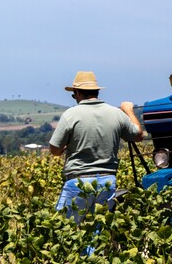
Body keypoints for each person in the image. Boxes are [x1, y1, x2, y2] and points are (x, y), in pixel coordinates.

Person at [49, 71, 144, 224]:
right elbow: (138, 135)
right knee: (99, 230)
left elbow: (54, 149)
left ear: (78, 93)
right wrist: (128, 110)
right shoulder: (116, 113)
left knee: (66, 229)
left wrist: (64, 148)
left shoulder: (70, 115)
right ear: (97, 92)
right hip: (107, 180)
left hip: (78, 180)